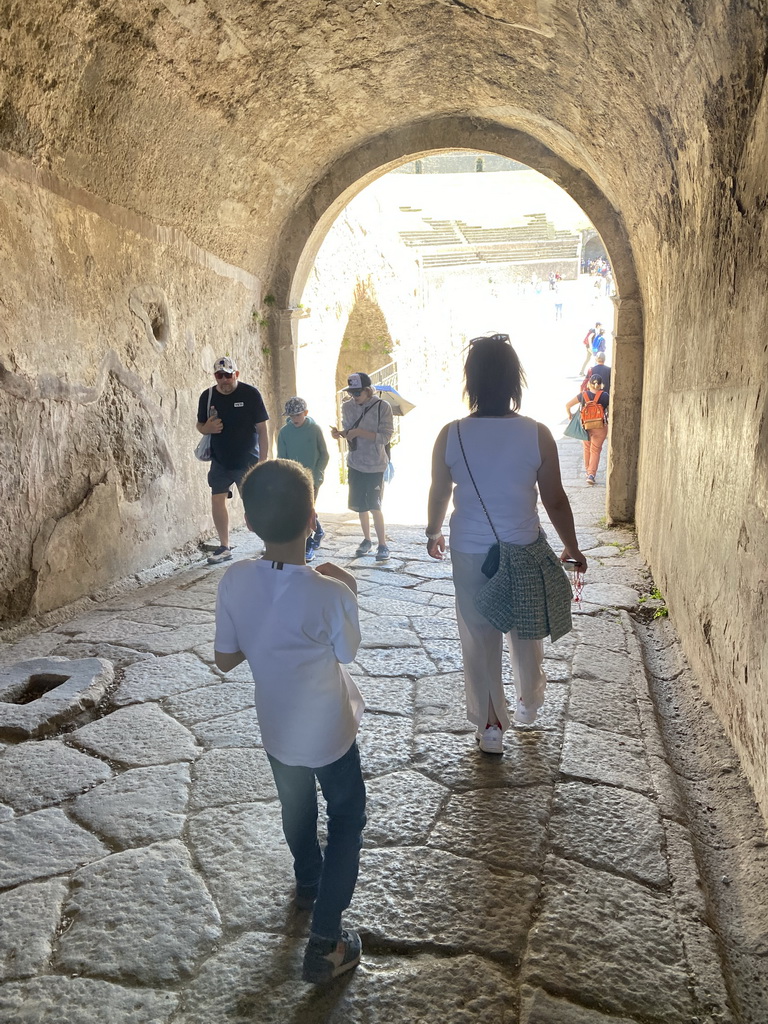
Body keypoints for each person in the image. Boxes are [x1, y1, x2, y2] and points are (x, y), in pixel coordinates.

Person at [214, 459, 366, 985]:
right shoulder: (330, 593)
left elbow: (226, 659)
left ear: (250, 524)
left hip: (277, 729)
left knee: (295, 806)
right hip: (330, 731)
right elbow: (346, 653)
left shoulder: (234, 580)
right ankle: (326, 941)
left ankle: (308, 880)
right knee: (346, 817)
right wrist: (346, 585)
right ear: (312, 519)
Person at [425, 333, 588, 755]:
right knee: (525, 628)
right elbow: (554, 499)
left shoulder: (451, 435)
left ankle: (491, 726)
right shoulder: (537, 434)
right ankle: (529, 704)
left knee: (479, 636)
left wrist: (433, 531)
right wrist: (571, 546)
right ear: (516, 381)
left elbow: (440, 491)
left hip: (470, 551)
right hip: (523, 549)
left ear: (471, 382)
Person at [196, 356, 269, 564]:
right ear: (215, 376)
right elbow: (200, 425)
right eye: (220, 376)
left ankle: (268, 541)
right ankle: (224, 546)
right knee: (217, 500)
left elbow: (262, 429)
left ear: (236, 374)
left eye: (228, 375)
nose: (224, 380)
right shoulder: (208, 396)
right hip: (220, 460)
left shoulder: (250, 394)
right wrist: (206, 429)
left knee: (254, 503)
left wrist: (263, 460)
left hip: (247, 460)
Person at [331, 372, 394, 562]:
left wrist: (360, 432)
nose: (354, 397)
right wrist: (340, 433)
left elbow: (386, 436)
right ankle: (367, 540)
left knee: (375, 505)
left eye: (357, 393)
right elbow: (349, 430)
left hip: (375, 463)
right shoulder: (347, 406)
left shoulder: (383, 407)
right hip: (355, 461)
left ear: (367, 391)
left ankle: (382, 544)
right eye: (351, 393)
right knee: (360, 506)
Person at [277, 397, 329, 562]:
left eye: (298, 415)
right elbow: (282, 458)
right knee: (301, 510)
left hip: (312, 478)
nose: (295, 419)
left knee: (305, 511)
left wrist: (317, 473)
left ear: (305, 413)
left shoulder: (315, 430)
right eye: (291, 416)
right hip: (293, 479)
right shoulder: (284, 432)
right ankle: (318, 531)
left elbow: (324, 454)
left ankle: (307, 546)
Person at [566, 374, 609, 485]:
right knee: (595, 450)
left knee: (586, 447)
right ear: (601, 385)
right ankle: (591, 474)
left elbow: (568, 405)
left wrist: (569, 415)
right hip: (600, 427)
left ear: (589, 384)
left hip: (586, 426)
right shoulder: (605, 396)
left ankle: (587, 471)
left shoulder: (583, 395)